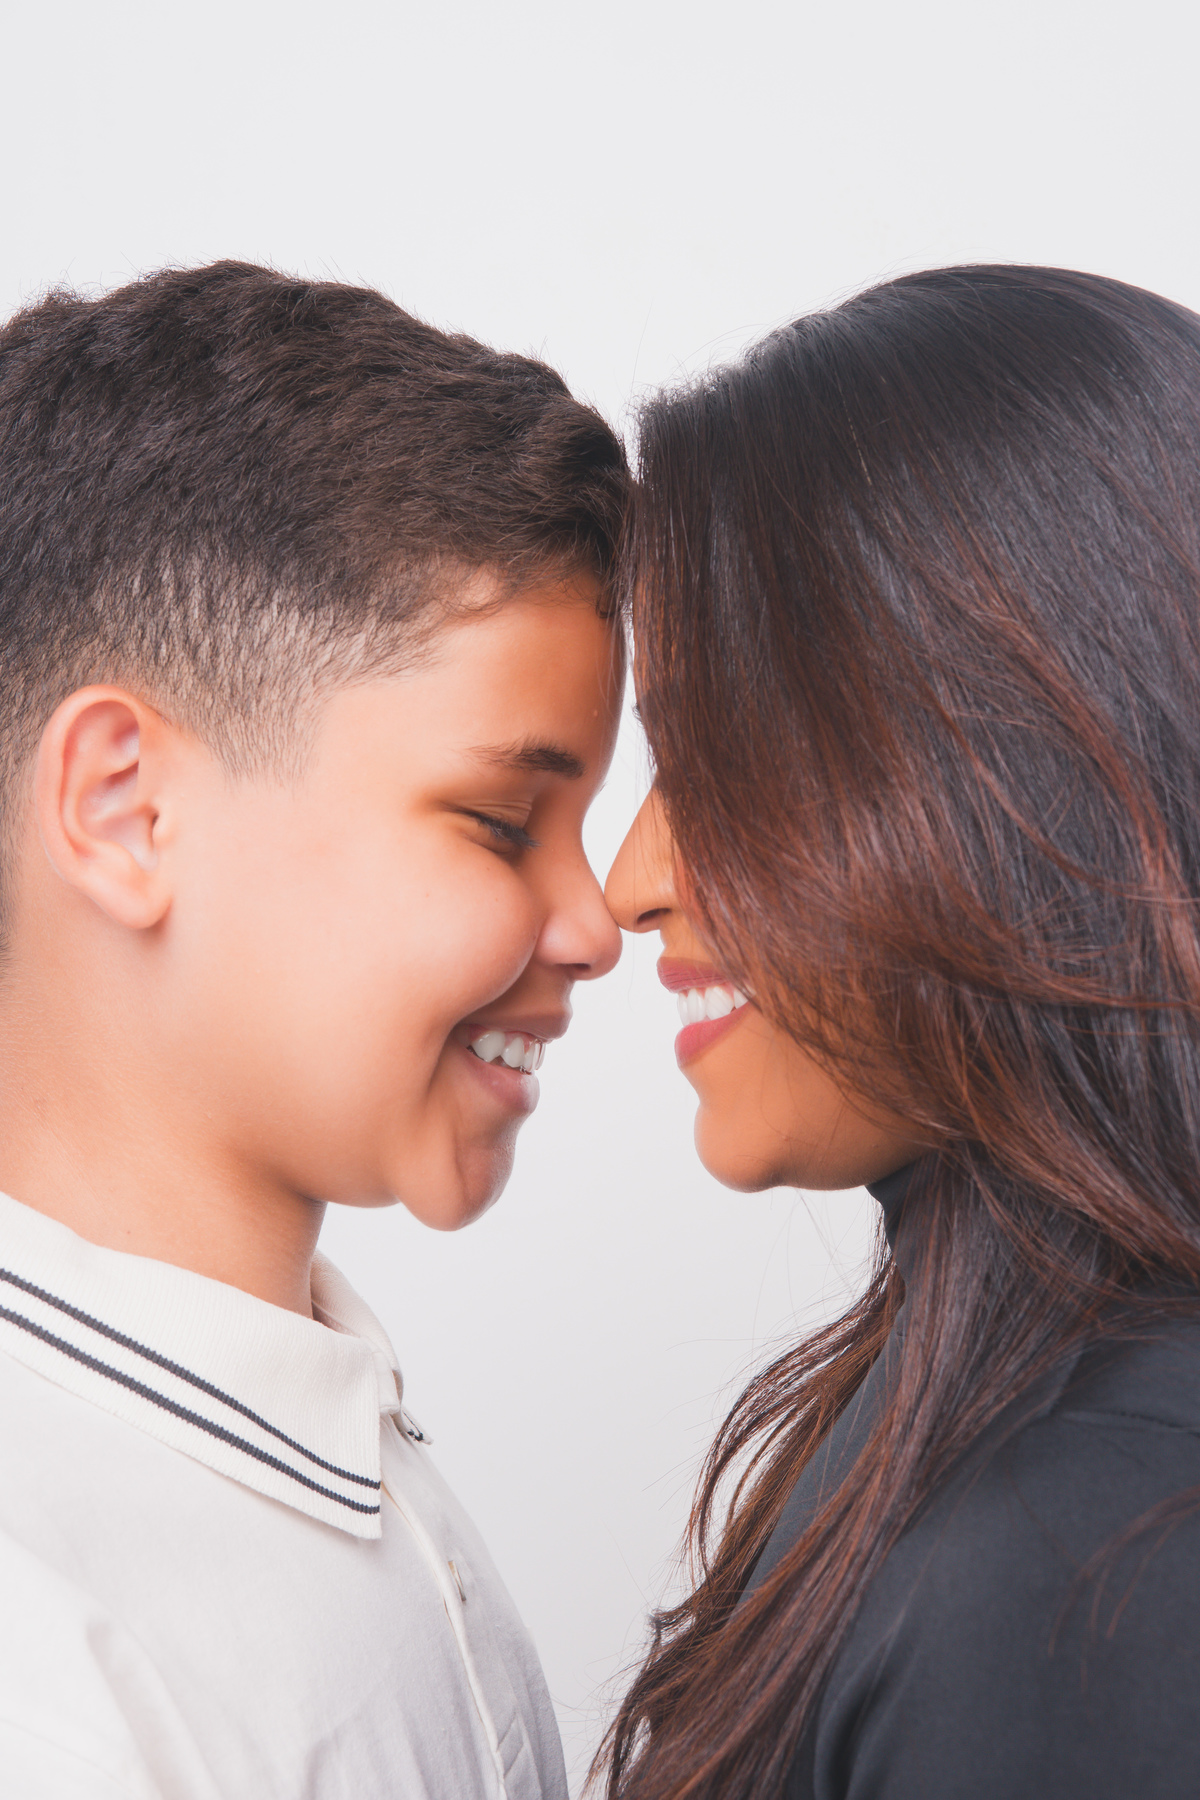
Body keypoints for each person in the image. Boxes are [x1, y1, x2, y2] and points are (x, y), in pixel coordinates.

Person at [0, 261, 626, 1797]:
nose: (598, 925)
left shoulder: (327, 1450)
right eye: (502, 823)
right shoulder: (45, 1652)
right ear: (127, 810)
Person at [602, 265, 1200, 1798]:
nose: (628, 882)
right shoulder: (1012, 1438)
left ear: (1013, 758)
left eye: (717, 754)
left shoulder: (1086, 1559)